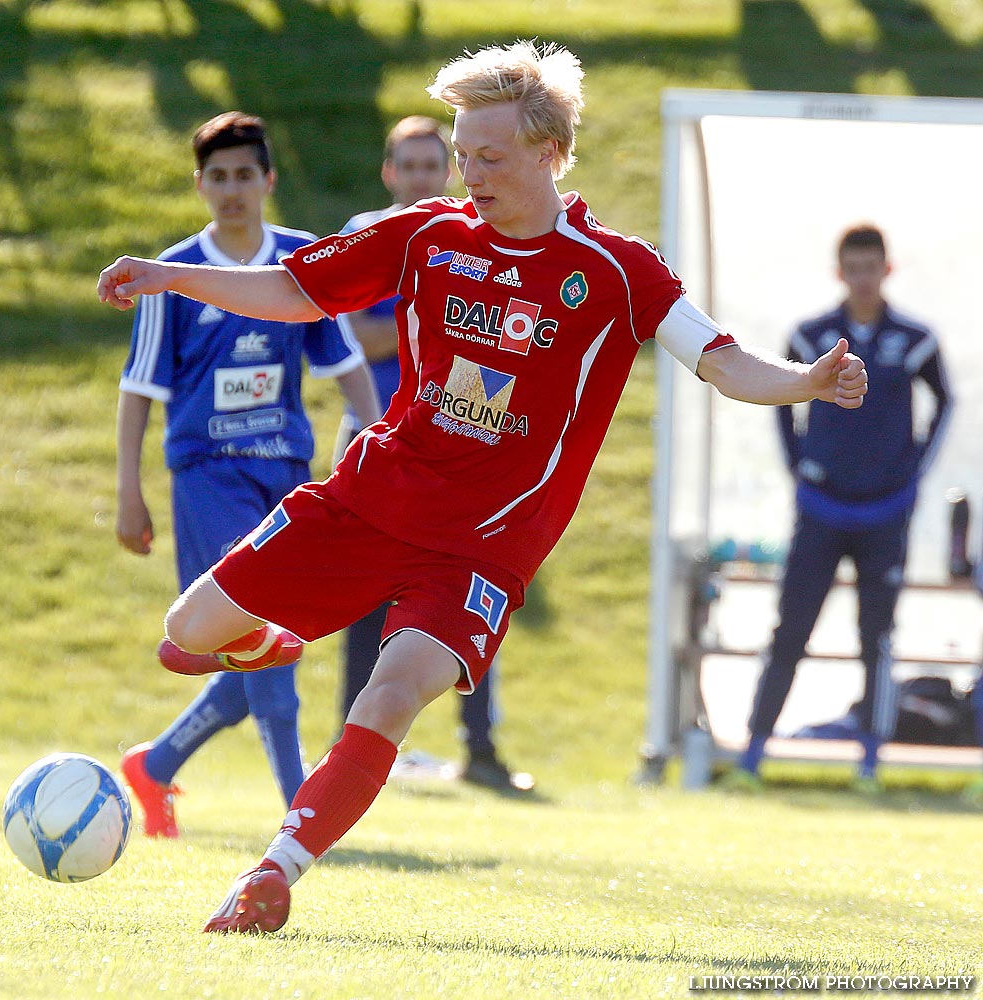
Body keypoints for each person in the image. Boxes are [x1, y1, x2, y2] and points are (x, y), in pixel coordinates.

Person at [97, 40, 867, 933]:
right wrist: (166, 276)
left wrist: (805, 381)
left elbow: (724, 364)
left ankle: (272, 875)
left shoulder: (617, 270)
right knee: (184, 636)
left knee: (386, 697)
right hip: (365, 502)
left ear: (548, 153)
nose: (471, 174)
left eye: (490, 157)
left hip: (479, 552)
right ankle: (268, 636)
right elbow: (298, 292)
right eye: (464, 154)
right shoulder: (428, 232)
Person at [114, 111, 380, 837]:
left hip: (284, 479)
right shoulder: (174, 272)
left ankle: (156, 765)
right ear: (201, 185)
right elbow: (140, 387)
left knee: (247, 660)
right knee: (262, 643)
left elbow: (346, 364)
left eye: (244, 175)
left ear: (267, 180)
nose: (232, 190)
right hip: (207, 478)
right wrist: (128, 492)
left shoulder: (298, 262)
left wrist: (380, 445)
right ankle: (302, 816)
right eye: (218, 177)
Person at [336, 114, 532, 793]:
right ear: (389, 172)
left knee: (472, 592)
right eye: (408, 166)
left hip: (458, 446)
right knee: (361, 596)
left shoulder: (476, 235)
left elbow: (494, 346)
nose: (421, 178)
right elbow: (352, 340)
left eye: (432, 165)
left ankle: (480, 749)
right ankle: (351, 746)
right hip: (375, 433)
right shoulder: (367, 234)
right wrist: (436, 325)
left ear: (446, 171)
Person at [727, 224, 951, 792]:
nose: (862, 278)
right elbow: (780, 396)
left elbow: (945, 401)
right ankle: (754, 752)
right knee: (790, 630)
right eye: (853, 267)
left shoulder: (915, 338)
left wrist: (914, 471)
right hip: (821, 508)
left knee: (875, 635)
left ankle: (871, 759)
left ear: (886, 269)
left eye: (871, 267)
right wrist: (797, 464)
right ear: (840, 271)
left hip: (886, 512)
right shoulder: (812, 336)